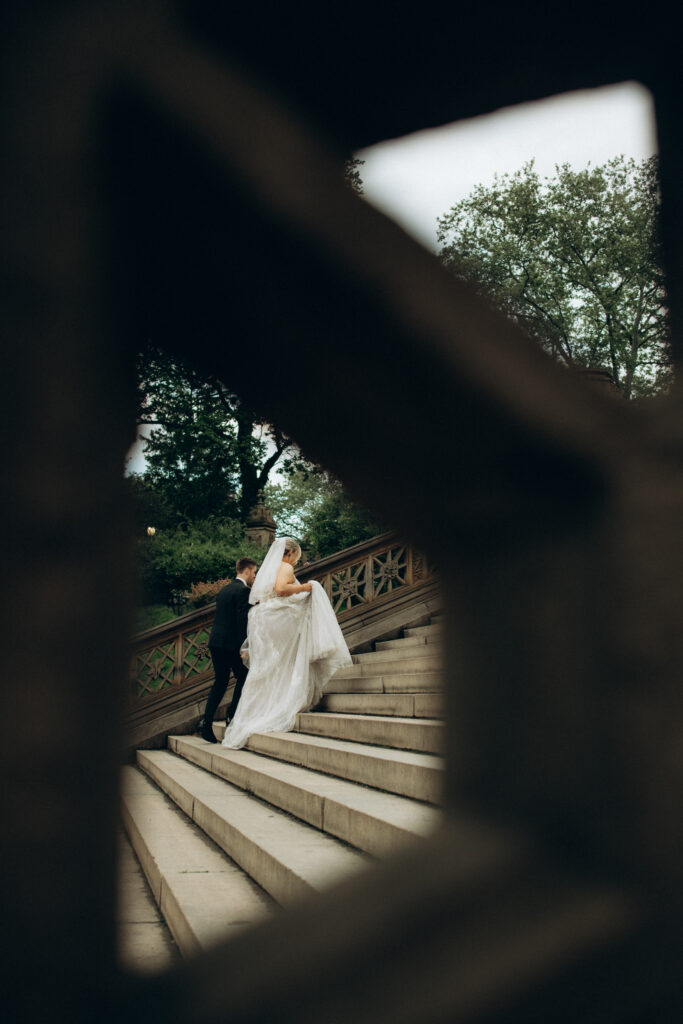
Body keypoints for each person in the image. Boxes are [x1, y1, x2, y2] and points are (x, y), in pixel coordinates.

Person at [222, 537, 352, 749]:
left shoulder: (268, 570)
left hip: (265, 620)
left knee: (272, 666)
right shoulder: (284, 567)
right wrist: (308, 587)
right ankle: (282, 704)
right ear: (289, 553)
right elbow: (282, 589)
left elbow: (268, 594)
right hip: (278, 620)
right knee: (287, 661)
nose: (295, 563)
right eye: (295, 558)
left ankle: (255, 710)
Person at [199, 556, 259, 743]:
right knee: (244, 676)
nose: (255, 576)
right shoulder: (243, 591)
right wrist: (245, 647)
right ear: (247, 571)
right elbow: (242, 622)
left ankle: (206, 723)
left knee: (220, 682)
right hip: (231, 644)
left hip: (215, 642)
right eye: (254, 572)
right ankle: (231, 715)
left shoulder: (224, 589)